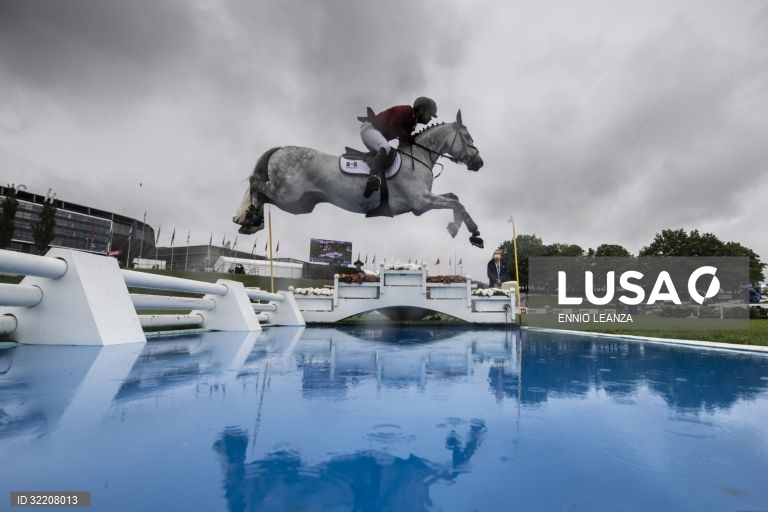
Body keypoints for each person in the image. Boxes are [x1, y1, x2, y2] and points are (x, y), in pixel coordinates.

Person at [357, 97, 438, 198]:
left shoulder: (413, 123)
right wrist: (408, 138)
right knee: (386, 148)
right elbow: (394, 124)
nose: (430, 118)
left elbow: (403, 142)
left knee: (391, 155)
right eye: (430, 114)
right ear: (421, 110)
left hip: (377, 134)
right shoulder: (407, 110)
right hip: (370, 129)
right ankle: (372, 177)